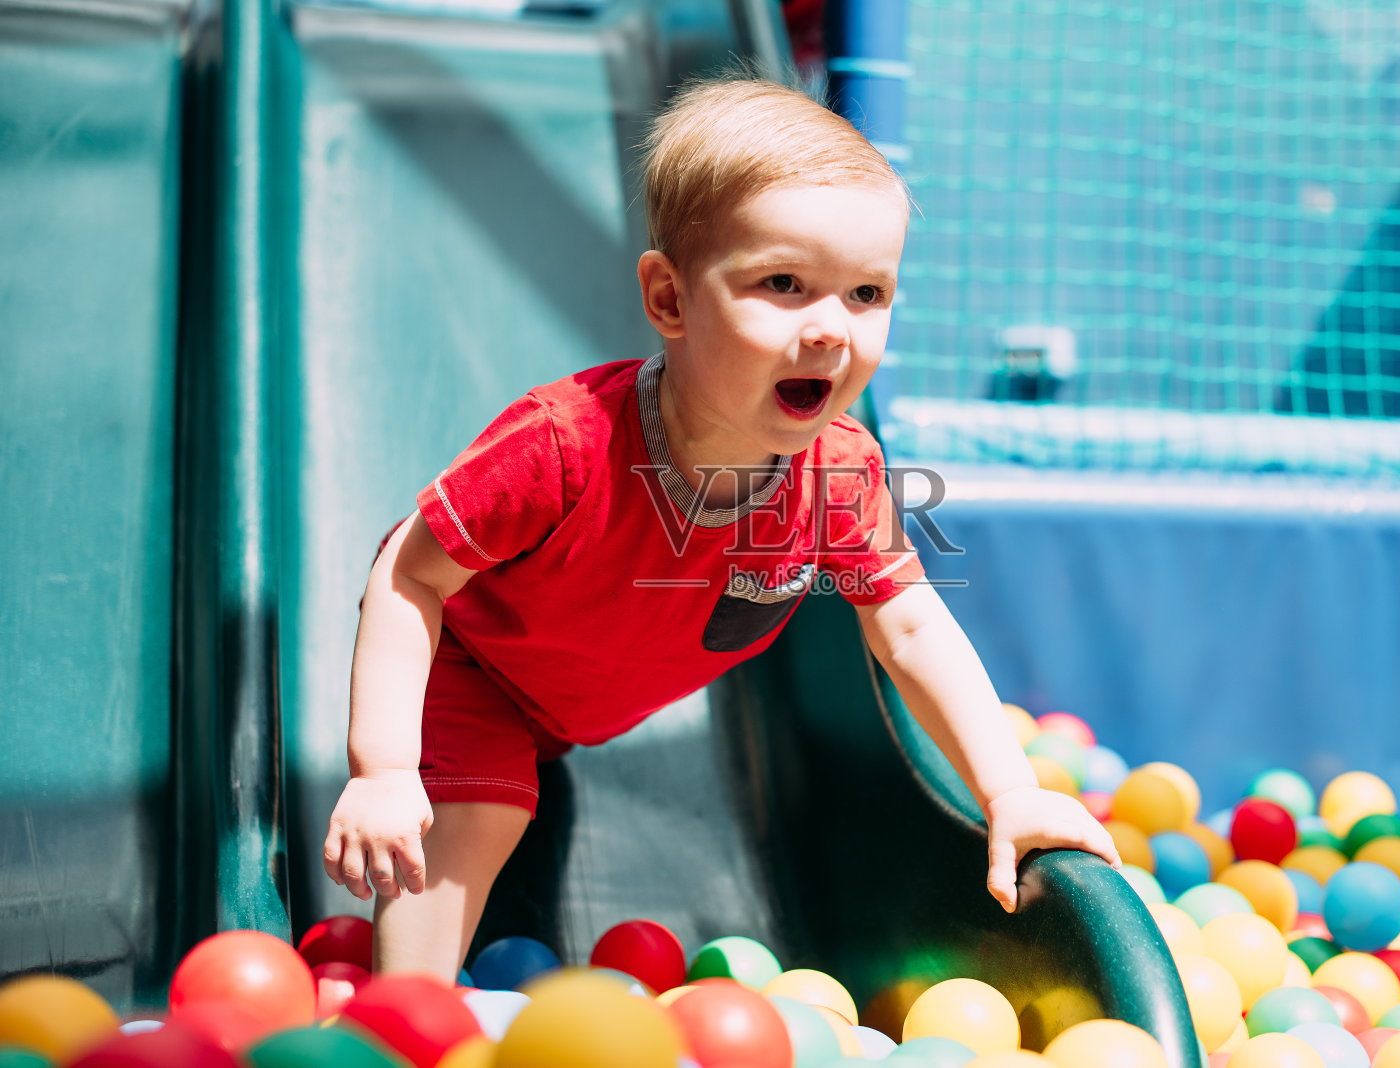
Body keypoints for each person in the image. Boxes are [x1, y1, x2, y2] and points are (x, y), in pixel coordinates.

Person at [322, 76, 1120, 980]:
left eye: (867, 294)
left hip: (572, 703)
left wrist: (1011, 789)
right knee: (489, 810)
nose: (831, 329)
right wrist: (384, 770)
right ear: (668, 300)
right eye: (783, 284)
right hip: (478, 668)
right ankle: (402, 1019)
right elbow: (408, 572)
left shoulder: (840, 473)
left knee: (523, 797)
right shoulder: (565, 445)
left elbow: (910, 624)